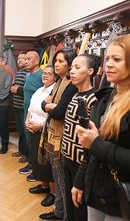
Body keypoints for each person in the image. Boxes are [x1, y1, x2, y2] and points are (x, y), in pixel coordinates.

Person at [72, 34, 130, 221]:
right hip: (96, 192)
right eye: (107, 59)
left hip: (121, 197)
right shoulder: (104, 99)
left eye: (117, 59)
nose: (109, 65)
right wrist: (80, 181)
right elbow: (90, 151)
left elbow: (95, 145)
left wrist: (97, 143)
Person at [38, 48, 78, 221]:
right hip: (53, 136)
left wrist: (50, 106)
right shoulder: (60, 82)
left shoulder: (71, 84)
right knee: (58, 178)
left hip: (63, 139)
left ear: (70, 65)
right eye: (56, 61)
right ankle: (59, 212)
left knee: (63, 182)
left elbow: (58, 112)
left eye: (61, 61)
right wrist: (49, 105)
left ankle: (65, 215)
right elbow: (45, 104)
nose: (56, 64)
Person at [62, 54, 101, 221]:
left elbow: (92, 140)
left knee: (80, 210)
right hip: (68, 159)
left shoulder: (94, 99)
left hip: (81, 164)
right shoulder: (75, 95)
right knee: (70, 207)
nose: (72, 71)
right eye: (72, 67)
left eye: (78, 68)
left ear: (90, 71)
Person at [25, 65, 56, 205]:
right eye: (44, 73)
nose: (45, 76)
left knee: (48, 163)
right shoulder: (39, 90)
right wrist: (27, 121)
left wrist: (40, 126)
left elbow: (54, 116)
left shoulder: (55, 92)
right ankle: (44, 186)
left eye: (49, 74)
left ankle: (53, 193)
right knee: (39, 160)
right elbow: (30, 109)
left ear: (55, 77)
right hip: (33, 128)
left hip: (45, 130)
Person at [19, 51, 44, 181]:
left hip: (38, 116)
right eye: (25, 59)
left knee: (36, 144)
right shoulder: (27, 76)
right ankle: (30, 164)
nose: (26, 61)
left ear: (36, 61)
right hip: (27, 113)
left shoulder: (42, 75)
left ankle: (37, 170)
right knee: (29, 142)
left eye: (29, 59)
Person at [10, 51, 29, 163]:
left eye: (23, 58)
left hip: (24, 108)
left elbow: (28, 90)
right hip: (16, 107)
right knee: (20, 131)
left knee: (25, 132)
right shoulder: (18, 73)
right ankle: (21, 150)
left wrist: (17, 89)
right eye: (19, 59)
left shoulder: (29, 73)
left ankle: (26, 154)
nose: (20, 60)